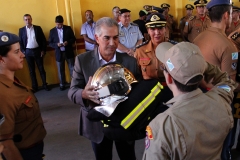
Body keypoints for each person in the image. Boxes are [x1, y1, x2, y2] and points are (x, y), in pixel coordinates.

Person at [143, 41, 237, 160]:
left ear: (169, 78)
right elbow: (226, 81)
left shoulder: (162, 126)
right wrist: (199, 66)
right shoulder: (221, 100)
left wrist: (203, 67)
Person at [68, 17, 141, 160]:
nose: (112, 43)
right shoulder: (82, 61)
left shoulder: (130, 62)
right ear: (96, 38)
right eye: (107, 38)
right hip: (97, 125)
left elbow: (138, 91)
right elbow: (72, 91)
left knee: (128, 156)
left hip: (124, 122)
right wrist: (83, 94)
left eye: (116, 37)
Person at [193, 0, 238, 159]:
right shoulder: (228, 46)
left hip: (197, 99)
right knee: (223, 148)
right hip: (218, 105)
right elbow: (228, 86)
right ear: (227, 15)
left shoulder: (199, 37)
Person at [0, 32, 46, 160]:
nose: (22, 55)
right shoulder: (2, 93)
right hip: (22, 154)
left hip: (33, 150)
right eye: (16, 52)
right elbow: (5, 143)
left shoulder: (13, 81)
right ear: (1, 59)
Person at [19, 14, 49, 92]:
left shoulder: (37, 28)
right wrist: (23, 51)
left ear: (31, 19)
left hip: (38, 51)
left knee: (41, 68)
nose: (27, 21)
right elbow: (21, 42)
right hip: (28, 52)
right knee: (31, 70)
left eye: (29, 19)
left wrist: (43, 50)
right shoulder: (21, 30)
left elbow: (43, 40)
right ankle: (34, 87)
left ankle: (45, 84)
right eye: (26, 19)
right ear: (24, 21)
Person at [49, 15, 76, 91]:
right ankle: (62, 84)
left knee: (72, 68)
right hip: (59, 53)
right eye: (58, 24)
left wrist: (68, 42)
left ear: (63, 22)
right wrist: (56, 45)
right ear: (55, 23)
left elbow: (73, 39)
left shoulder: (68, 28)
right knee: (60, 70)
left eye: (60, 24)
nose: (59, 26)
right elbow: (50, 43)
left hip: (68, 52)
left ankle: (74, 84)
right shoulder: (52, 31)